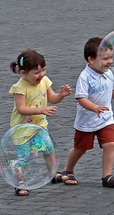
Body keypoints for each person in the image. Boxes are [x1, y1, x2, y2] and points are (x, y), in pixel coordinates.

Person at [57, 37, 114, 188]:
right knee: (81, 148)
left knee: (110, 144)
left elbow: (113, 89)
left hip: (106, 118)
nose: (110, 62)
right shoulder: (85, 77)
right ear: (91, 60)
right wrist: (95, 108)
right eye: (105, 59)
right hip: (87, 121)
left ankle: (107, 176)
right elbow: (81, 98)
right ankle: (68, 170)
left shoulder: (108, 73)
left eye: (111, 57)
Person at [9, 49, 72, 196]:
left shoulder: (44, 81)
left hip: (39, 126)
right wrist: (41, 110)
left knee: (48, 149)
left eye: (43, 70)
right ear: (24, 73)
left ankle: (53, 174)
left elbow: (52, 98)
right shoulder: (19, 88)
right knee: (23, 157)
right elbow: (21, 109)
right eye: (36, 72)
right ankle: (20, 184)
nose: (41, 74)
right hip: (22, 129)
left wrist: (61, 95)